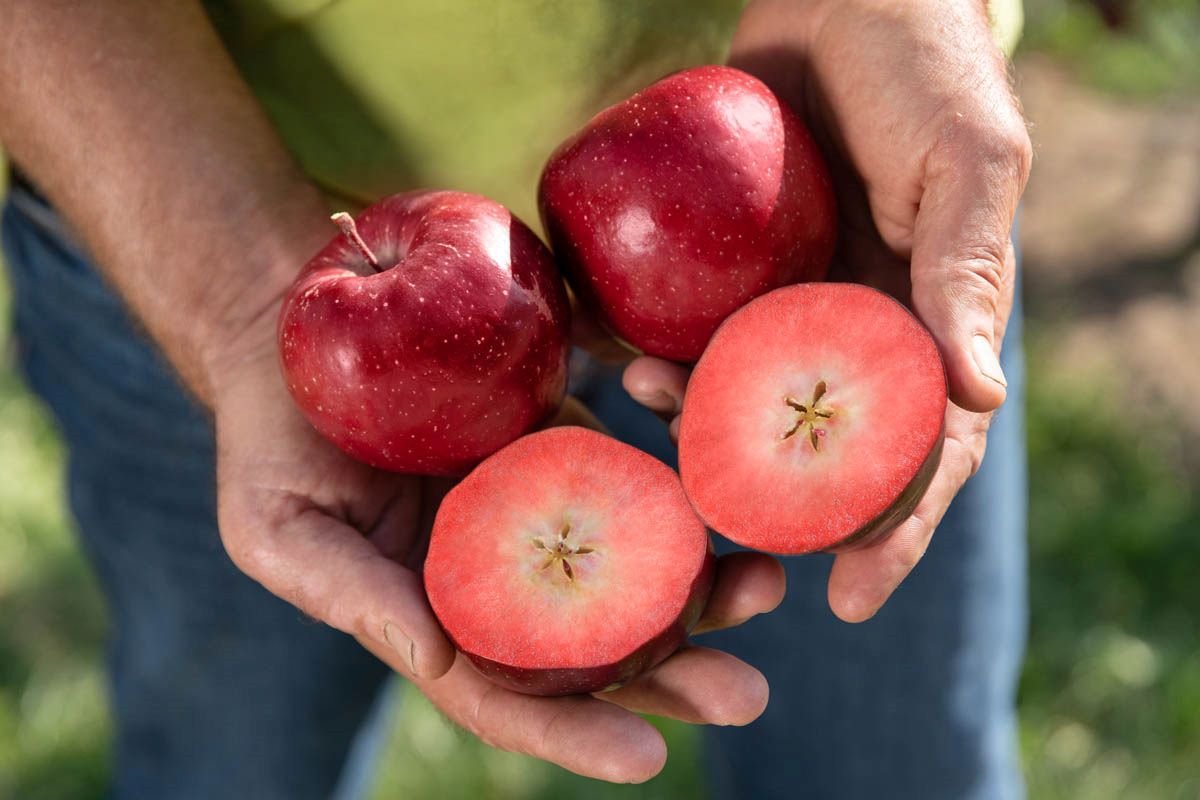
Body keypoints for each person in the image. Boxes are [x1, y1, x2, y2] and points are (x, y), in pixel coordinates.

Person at [0, 1, 1032, 798]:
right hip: (188, 211)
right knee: (231, 756)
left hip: (822, 150)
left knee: (900, 764)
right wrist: (231, 294)